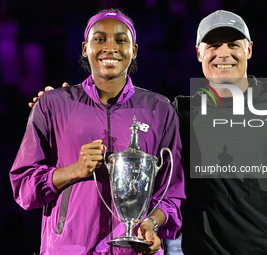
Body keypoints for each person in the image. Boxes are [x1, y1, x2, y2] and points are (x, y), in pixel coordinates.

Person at [29, 10, 267, 255]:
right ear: (198, 53)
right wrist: (64, 101)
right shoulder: (181, 112)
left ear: (249, 49)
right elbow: (126, 112)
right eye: (213, 46)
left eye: (233, 45)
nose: (222, 54)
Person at [11, 8, 185, 255]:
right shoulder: (53, 104)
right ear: (85, 48)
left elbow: (171, 194)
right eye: (100, 39)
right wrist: (74, 170)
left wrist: (151, 223)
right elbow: (24, 187)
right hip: (69, 249)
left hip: (133, 251)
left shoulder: (160, 109)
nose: (110, 47)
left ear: (133, 51)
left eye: (121, 40)